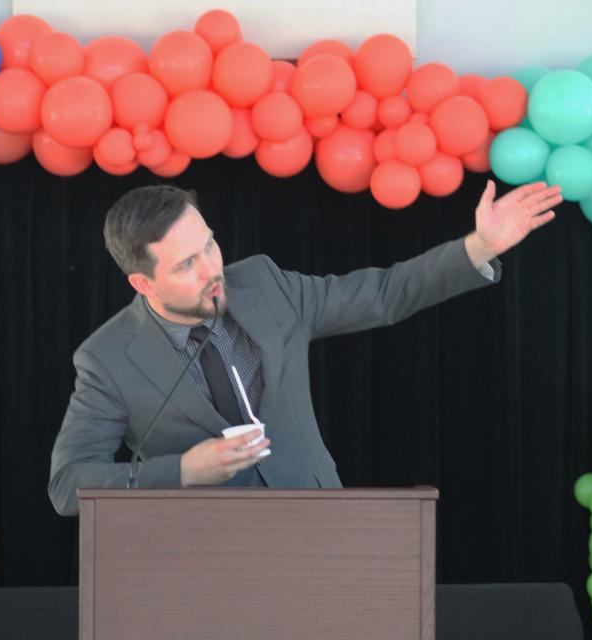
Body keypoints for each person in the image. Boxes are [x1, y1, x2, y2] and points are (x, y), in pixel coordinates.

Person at [49, 180, 562, 516]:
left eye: (209, 245)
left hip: (319, 524)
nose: (211, 270)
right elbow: (69, 485)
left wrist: (480, 246)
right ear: (144, 283)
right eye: (186, 265)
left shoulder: (266, 285)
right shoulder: (107, 358)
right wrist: (184, 471)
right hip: (203, 552)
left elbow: (382, 295)